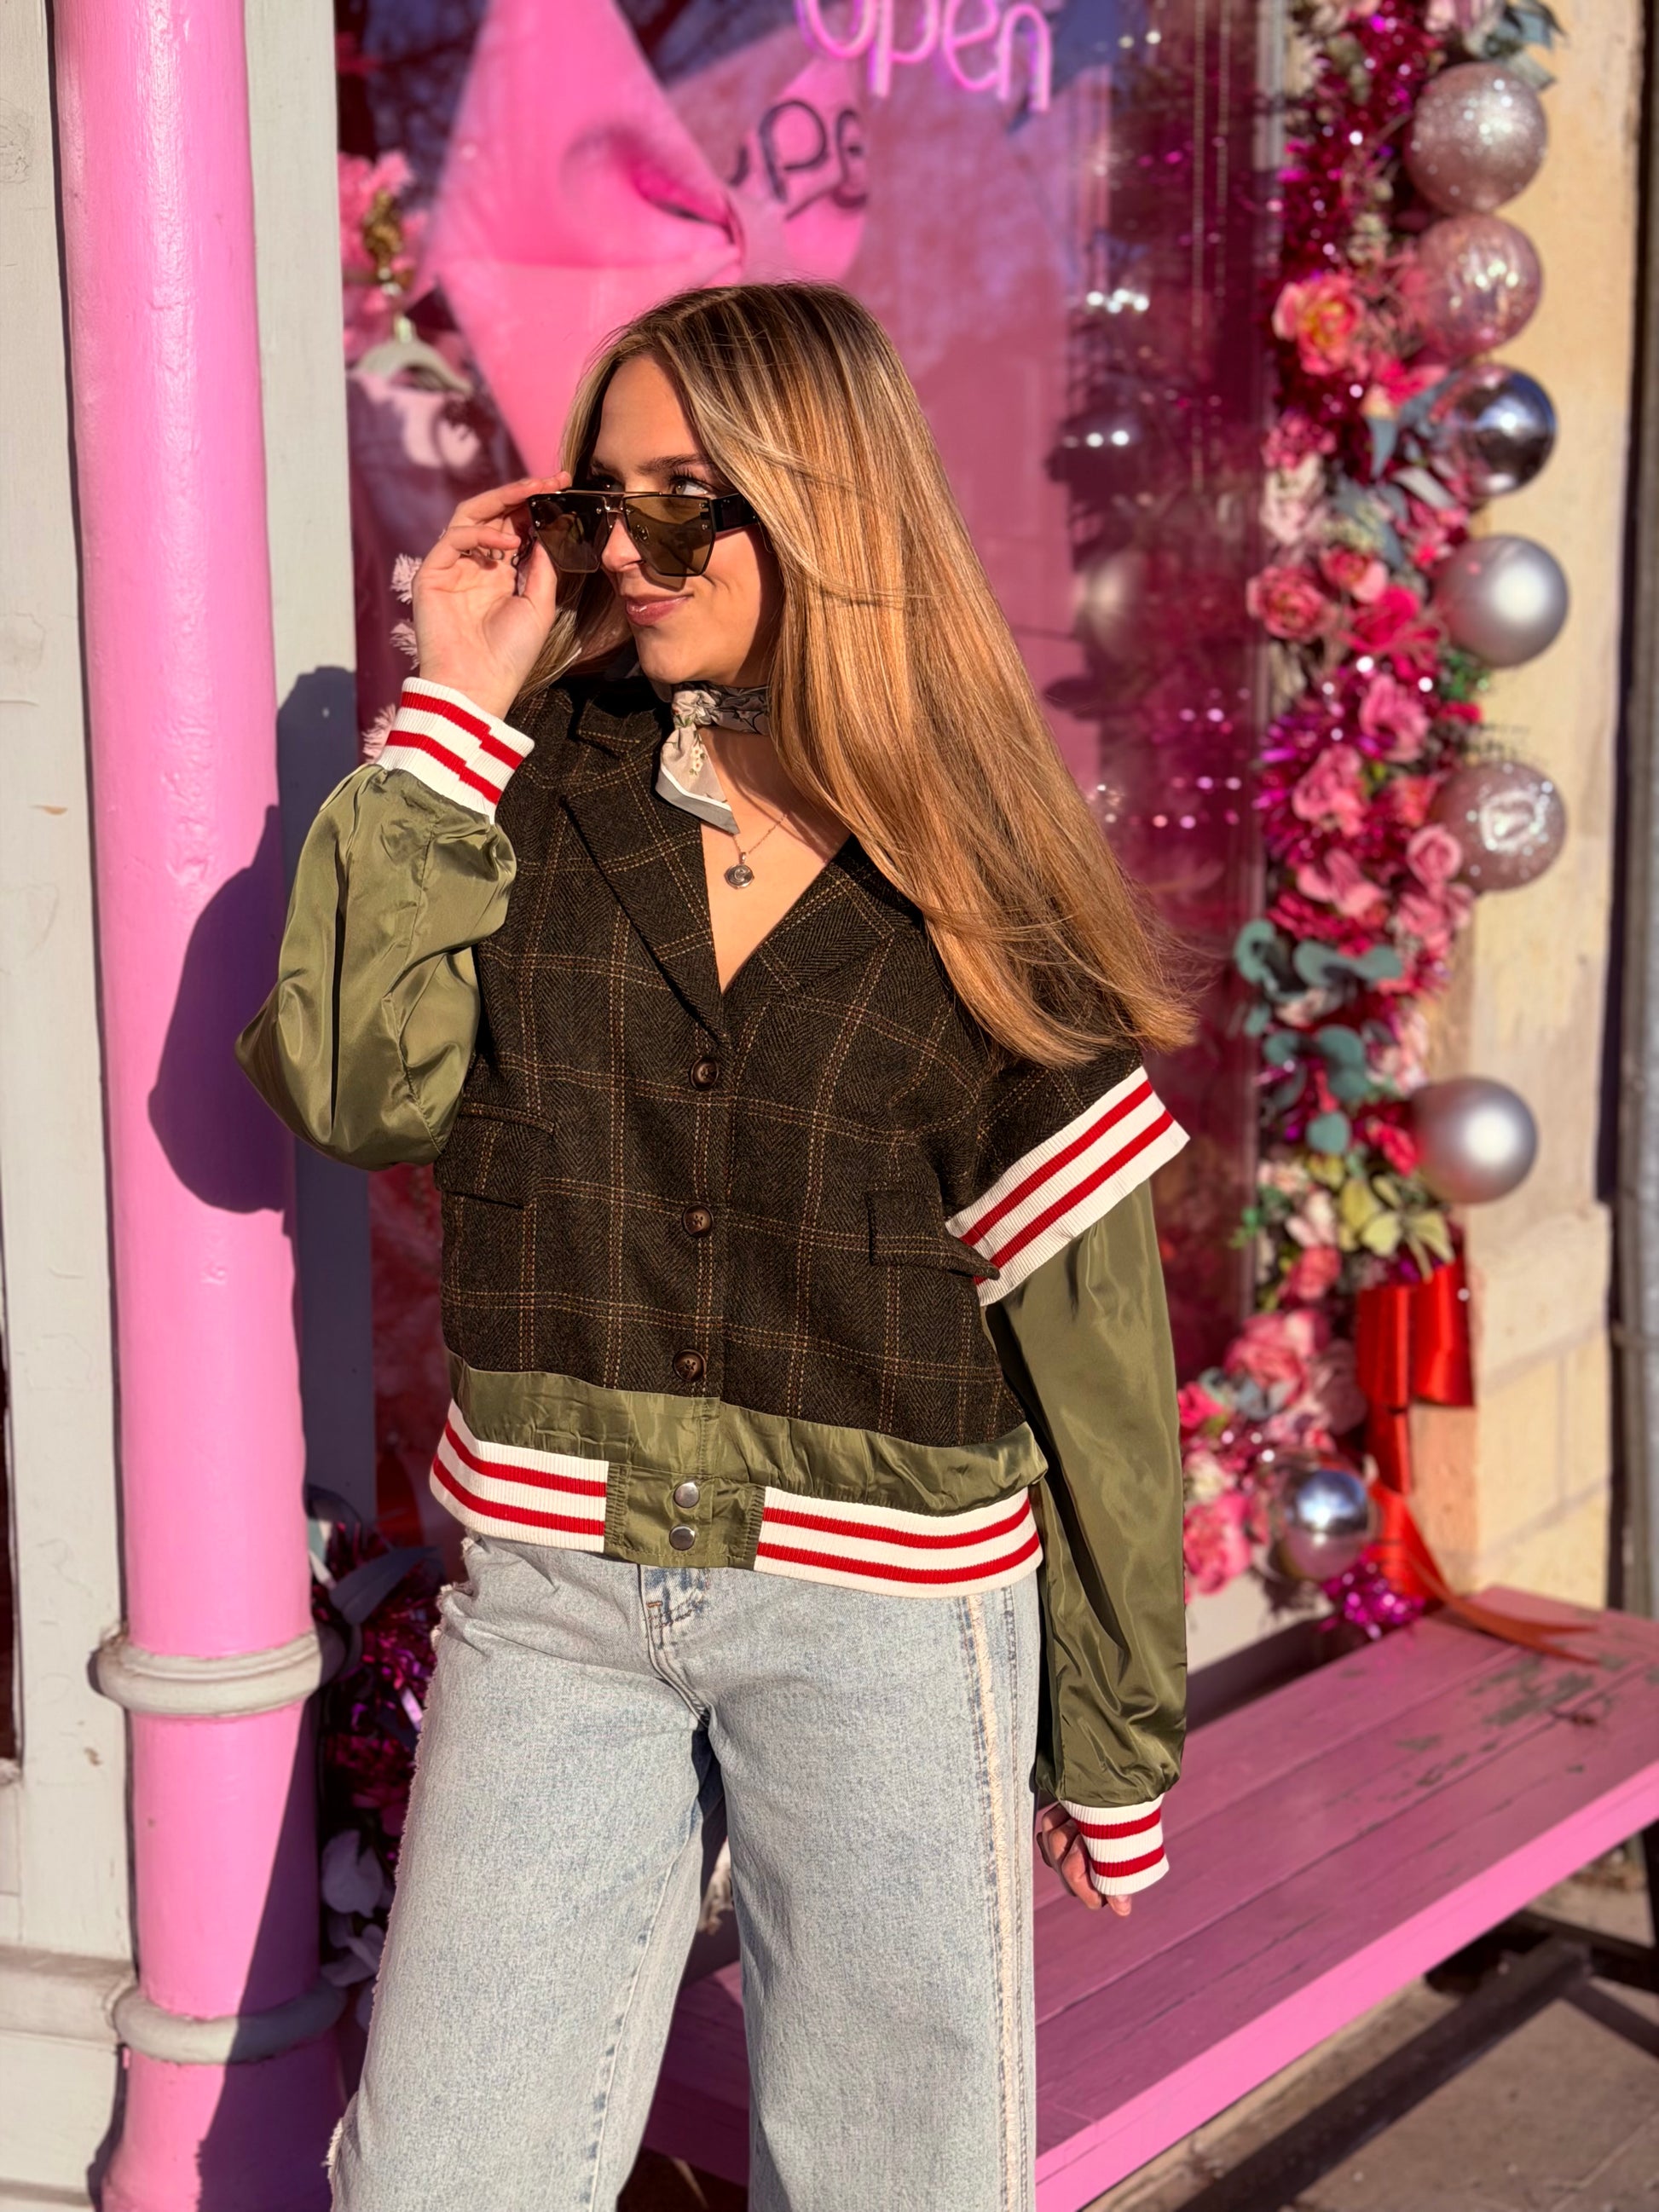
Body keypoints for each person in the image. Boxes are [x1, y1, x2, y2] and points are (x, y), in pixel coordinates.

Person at [240, 280, 1193, 2212]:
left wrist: (1111, 1735)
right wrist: (452, 707)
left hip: (888, 1616)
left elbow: (1092, 1343)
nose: (627, 553)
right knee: (440, 2173)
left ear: (818, 508)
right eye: (606, 501)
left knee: (891, 2177)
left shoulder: (972, 862)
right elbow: (355, 1085)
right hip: (555, 1591)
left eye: (682, 504)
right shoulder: (525, 776)